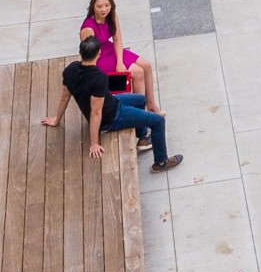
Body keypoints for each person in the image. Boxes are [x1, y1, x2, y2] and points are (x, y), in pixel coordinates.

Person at [42, 34, 182, 173]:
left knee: (140, 99)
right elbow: (96, 112)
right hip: (111, 117)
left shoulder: (70, 69)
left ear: (80, 53)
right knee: (158, 121)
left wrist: (56, 120)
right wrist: (94, 143)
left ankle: (143, 138)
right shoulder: (99, 78)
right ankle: (161, 162)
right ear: (99, 53)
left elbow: (65, 97)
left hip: (112, 103)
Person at [82, 0, 157, 109]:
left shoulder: (111, 15)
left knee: (146, 65)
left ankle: (151, 104)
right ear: (92, 7)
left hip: (109, 48)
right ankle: (139, 112)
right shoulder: (88, 28)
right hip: (98, 57)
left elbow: (117, 39)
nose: (104, 9)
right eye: (99, 6)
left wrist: (120, 62)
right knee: (138, 73)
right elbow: (87, 54)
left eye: (107, 5)